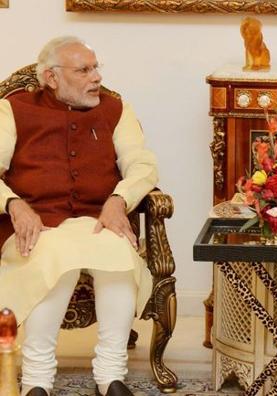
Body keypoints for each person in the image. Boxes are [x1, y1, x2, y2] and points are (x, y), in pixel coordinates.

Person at [0, 36, 158, 396]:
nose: (96, 77)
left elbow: (143, 164)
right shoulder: (12, 109)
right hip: (36, 224)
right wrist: (13, 204)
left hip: (96, 219)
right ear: (51, 78)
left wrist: (120, 198)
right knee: (56, 256)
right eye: (84, 70)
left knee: (118, 253)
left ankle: (111, 375)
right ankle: (37, 381)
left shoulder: (116, 109)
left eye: (96, 67)